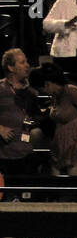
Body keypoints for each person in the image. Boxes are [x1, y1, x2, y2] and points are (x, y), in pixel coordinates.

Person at [30, 62, 77, 175]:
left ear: (47, 84)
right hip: (59, 150)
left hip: (76, 151)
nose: (41, 92)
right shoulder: (55, 96)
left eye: (40, 89)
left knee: (75, 188)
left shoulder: (71, 91)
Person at [0, 49, 46, 191]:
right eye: (22, 62)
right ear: (10, 67)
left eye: (26, 61)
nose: (27, 65)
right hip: (4, 156)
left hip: (25, 154)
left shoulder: (31, 92)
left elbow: (35, 117)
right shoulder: (0, 89)